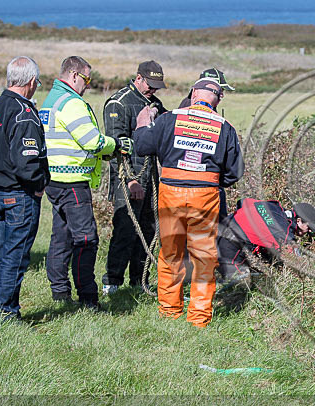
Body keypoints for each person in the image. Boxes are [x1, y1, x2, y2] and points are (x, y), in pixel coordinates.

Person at [133, 78, 243, 327]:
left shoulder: (170, 118)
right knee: (203, 257)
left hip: (170, 192)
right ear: (219, 99)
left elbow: (141, 146)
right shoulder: (225, 127)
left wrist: (141, 125)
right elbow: (235, 172)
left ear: (193, 93)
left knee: (171, 253)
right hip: (205, 196)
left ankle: (169, 311)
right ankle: (199, 318)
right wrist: (211, 180)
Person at [39, 56, 129, 310]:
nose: (88, 86)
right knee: (86, 239)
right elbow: (92, 142)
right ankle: (88, 297)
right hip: (72, 180)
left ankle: (60, 292)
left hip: (53, 179)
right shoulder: (71, 103)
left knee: (62, 237)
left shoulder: (51, 100)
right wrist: (117, 144)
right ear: (74, 75)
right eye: (87, 79)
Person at [0, 56, 49, 321]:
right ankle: (5, 312)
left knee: (0, 252)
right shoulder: (23, 113)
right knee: (14, 255)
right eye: (37, 83)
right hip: (19, 195)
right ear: (31, 82)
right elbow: (27, 162)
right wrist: (38, 185)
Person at [101, 60, 168, 295]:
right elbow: (115, 146)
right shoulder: (119, 103)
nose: (153, 90)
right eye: (150, 85)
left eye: (156, 87)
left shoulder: (155, 104)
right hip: (129, 179)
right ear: (138, 78)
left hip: (152, 177)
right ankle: (112, 281)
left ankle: (140, 281)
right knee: (126, 231)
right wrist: (131, 180)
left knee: (149, 231)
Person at [179, 67, 235, 222]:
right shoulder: (190, 108)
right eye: (220, 89)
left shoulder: (204, 106)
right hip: (199, 184)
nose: (222, 94)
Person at [217, 199, 315, 279]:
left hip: (218, 231)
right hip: (229, 249)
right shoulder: (284, 232)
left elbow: (243, 201)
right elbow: (298, 264)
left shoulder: (273, 206)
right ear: (299, 221)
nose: (309, 231)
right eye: (309, 228)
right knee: (240, 286)